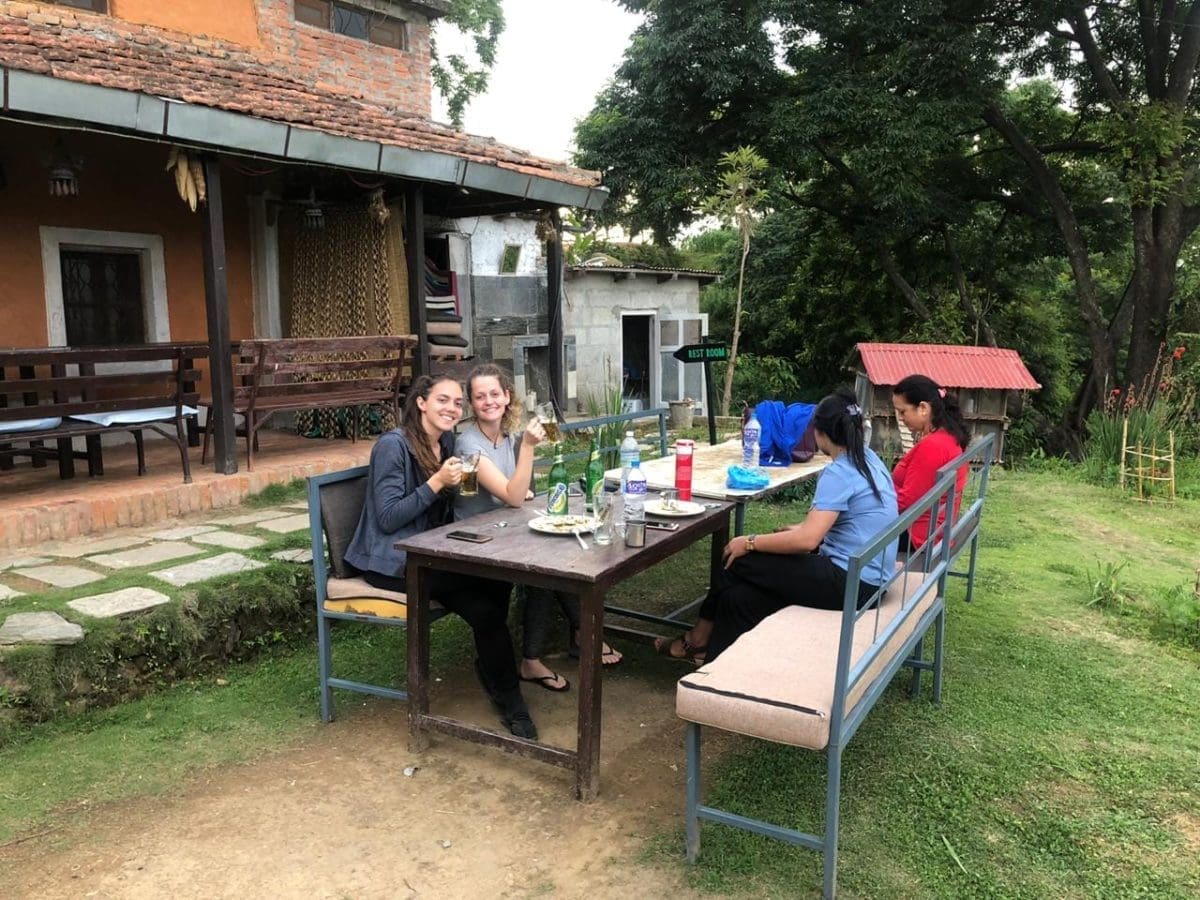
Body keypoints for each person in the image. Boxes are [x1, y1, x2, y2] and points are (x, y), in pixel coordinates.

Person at [343, 375, 538, 740]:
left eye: (456, 403)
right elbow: (387, 519)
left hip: (431, 553)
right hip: (391, 561)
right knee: (487, 598)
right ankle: (511, 700)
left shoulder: (446, 442)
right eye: (442, 401)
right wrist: (436, 484)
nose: (452, 408)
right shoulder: (393, 446)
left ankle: (502, 685)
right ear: (421, 403)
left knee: (493, 588)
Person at [655, 389, 898, 664]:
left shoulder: (839, 471)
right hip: (869, 577)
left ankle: (696, 640)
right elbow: (844, 521)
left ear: (820, 432)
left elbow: (808, 540)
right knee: (739, 597)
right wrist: (801, 529)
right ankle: (715, 664)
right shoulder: (867, 459)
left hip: (851, 582)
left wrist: (750, 541)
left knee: (734, 560)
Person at [455, 364, 621, 693]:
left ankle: (576, 635)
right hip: (474, 540)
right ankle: (542, 655)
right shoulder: (467, 444)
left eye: (494, 394)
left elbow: (516, 489)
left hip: (504, 527)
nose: (488, 401)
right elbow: (513, 496)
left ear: (507, 396)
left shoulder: (506, 435)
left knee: (563, 552)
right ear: (472, 404)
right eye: (479, 396)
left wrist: (519, 480)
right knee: (548, 566)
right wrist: (528, 450)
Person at [891, 374, 970, 551]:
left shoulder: (933, 446)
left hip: (920, 536)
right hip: (932, 529)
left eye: (903, 411)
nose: (901, 417)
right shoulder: (946, 436)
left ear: (923, 408)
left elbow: (907, 502)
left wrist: (876, 490)